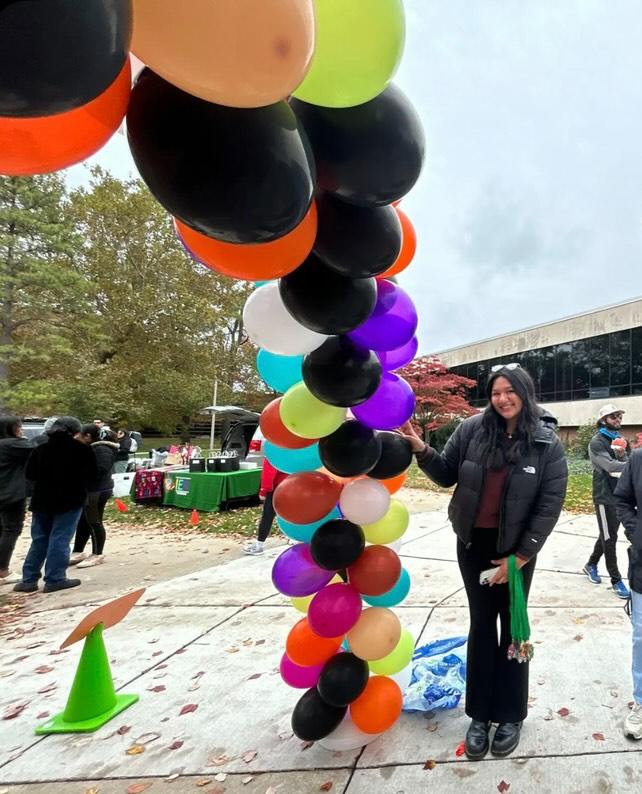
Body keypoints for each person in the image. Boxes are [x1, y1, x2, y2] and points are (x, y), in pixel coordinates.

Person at [398, 364, 568, 760]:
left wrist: (521, 557)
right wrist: (421, 449)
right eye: (495, 393)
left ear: (524, 393)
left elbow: (549, 506)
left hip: (517, 552)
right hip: (473, 545)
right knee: (480, 625)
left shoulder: (546, 443)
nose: (503, 399)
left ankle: (510, 715)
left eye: (510, 391)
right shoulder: (473, 430)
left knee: (513, 628)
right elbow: (446, 474)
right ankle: (479, 715)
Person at [13, 416, 97, 594]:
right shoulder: (82, 450)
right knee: (60, 538)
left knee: (39, 539)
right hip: (70, 499)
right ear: (76, 431)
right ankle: (55, 578)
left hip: (42, 499)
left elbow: (30, 474)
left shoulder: (41, 449)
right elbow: (92, 476)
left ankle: (28, 579)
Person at [582, 404, 630, 599]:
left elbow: (623, 466)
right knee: (610, 538)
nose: (617, 419)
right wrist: (632, 462)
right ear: (603, 420)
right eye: (613, 417)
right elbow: (610, 467)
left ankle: (590, 564)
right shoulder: (597, 442)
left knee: (608, 534)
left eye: (619, 416)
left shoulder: (620, 440)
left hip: (618, 494)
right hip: (603, 496)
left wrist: (623, 455)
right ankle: (616, 579)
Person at [615, 447, 642, 739]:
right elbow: (622, 499)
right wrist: (636, 532)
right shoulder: (638, 459)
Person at [70, 424, 119, 568]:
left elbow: (100, 470)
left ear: (88, 436)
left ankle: (97, 553)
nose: (77, 438)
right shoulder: (93, 448)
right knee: (83, 521)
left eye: (80, 435)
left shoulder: (102, 449)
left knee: (93, 520)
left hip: (98, 490)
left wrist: (81, 470)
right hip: (90, 489)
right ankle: (78, 550)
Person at [0, 417, 33, 584]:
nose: (22, 430)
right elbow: (36, 448)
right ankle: (3, 571)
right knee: (11, 530)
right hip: (11, 494)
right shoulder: (12, 444)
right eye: (19, 427)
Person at [244, 459, 287, 555]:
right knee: (289, 514)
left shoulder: (273, 452)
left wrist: (264, 490)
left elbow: (269, 472)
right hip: (291, 483)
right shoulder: (293, 450)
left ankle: (259, 545)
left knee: (268, 515)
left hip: (276, 487)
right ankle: (293, 540)